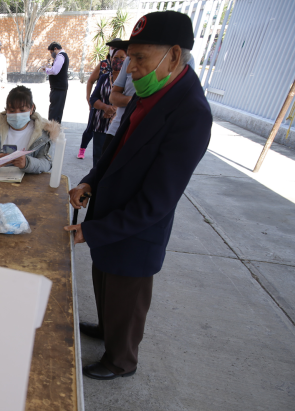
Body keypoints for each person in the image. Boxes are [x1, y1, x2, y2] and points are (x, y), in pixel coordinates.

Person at [64, 11, 212, 381]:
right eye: (130, 59)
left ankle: (121, 359)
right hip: (109, 214)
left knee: (127, 296)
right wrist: (89, 182)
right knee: (105, 281)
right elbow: (115, 152)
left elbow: (157, 202)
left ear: (174, 56)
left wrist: (92, 231)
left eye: (141, 59)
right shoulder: (151, 95)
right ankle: (105, 329)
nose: (130, 69)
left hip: (135, 229)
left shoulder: (190, 113)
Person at [0, 85, 58, 174]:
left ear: (31, 108)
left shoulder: (42, 133)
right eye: (12, 111)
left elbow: (47, 163)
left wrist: (27, 163)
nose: (17, 115)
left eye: (22, 110)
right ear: (6, 110)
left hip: (28, 183)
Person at [77, 40, 118, 159]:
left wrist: (115, 109)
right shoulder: (104, 68)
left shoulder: (129, 76)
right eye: (112, 48)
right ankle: (82, 149)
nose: (118, 60)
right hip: (100, 116)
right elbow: (91, 83)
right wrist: (90, 99)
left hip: (117, 122)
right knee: (90, 131)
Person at [88, 48, 127, 167]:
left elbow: (132, 99)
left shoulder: (129, 80)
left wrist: (114, 109)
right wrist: (105, 107)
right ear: (110, 60)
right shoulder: (104, 78)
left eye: (122, 58)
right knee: (97, 158)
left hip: (120, 125)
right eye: (115, 58)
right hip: (101, 122)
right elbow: (93, 98)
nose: (118, 61)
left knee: (114, 159)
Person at [106, 55, 136, 141]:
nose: (130, 69)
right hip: (117, 130)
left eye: (140, 58)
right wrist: (135, 101)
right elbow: (113, 96)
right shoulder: (128, 61)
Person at [41, 42, 70, 123]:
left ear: (56, 49)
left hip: (58, 87)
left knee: (55, 111)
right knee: (56, 109)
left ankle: (52, 130)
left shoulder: (60, 56)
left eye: (51, 52)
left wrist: (46, 69)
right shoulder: (62, 56)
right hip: (59, 87)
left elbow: (55, 71)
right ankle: (54, 129)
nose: (51, 54)